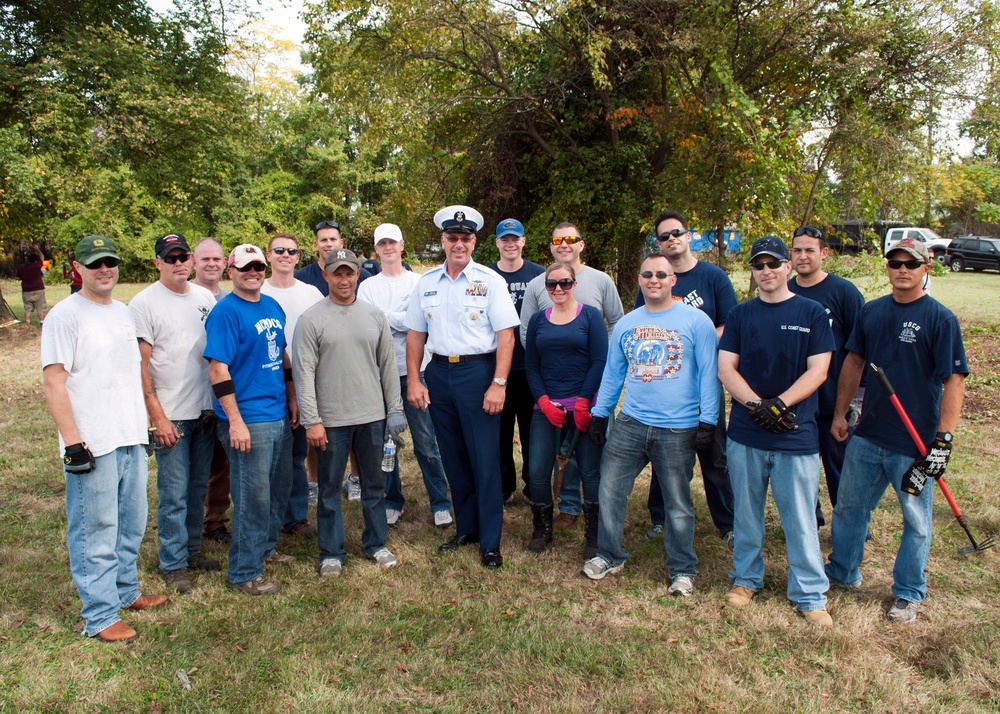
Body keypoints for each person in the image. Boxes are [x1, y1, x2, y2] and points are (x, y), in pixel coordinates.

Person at [825, 238, 968, 624]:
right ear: (887, 267)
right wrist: (841, 415)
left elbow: (954, 380)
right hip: (869, 435)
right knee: (850, 509)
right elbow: (853, 363)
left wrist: (943, 440)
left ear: (926, 268)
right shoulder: (871, 312)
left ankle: (907, 593)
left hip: (914, 443)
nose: (902, 269)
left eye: (911, 263)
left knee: (916, 522)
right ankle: (842, 571)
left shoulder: (940, 319)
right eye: (895, 262)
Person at [41, 235, 166, 642]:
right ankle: (98, 615)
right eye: (95, 264)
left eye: (110, 262)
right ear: (78, 269)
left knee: (131, 524)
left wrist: (145, 422)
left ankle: (126, 592)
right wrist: (73, 442)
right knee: (95, 529)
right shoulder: (64, 316)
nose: (104, 269)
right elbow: (54, 382)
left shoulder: (124, 313)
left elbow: (131, 374)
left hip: (129, 434)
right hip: (92, 442)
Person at [581, 254, 718, 597]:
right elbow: (613, 373)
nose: (653, 279)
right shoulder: (628, 323)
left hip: (678, 428)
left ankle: (682, 568)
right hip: (631, 423)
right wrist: (601, 413)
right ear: (639, 280)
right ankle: (609, 554)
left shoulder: (696, 321)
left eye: (661, 274)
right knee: (610, 490)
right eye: (647, 274)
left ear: (674, 280)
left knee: (677, 502)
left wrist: (709, 422)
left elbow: (709, 375)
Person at [717, 235, 835, 626]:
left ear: (788, 266)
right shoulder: (741, 315)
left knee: (799, 515)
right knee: (747, 512)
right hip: (747, 433)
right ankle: (746, 578)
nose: (766, 271)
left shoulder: (812, 312)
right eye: (758, 265)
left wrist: (781, 404)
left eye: (773, 264)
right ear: (752, 271)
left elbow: (819, 370)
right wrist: (755, 405)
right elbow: (726, 368)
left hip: (796, 434)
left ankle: (809, 594)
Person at [404, 205, 520, 569]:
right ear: (442, 241)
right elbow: (414, 335)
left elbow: (506, 337)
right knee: (453, 457)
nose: (459, 244)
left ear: (474, 241)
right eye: (452, 238)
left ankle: (490, 541)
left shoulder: (489, 280)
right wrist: (413, 379)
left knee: (484, 460)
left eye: (465, 238)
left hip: (478, 375)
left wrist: (499, 384)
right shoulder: (425, 283)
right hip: (438, 374)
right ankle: (467, 528)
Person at [294, 248, 406, 574]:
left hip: (372, 416)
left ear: (358, 275)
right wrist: (312, 421)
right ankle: (331, 551)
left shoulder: (373, 316)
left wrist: (394, 410)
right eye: (337, 273)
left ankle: (376, 543)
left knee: (374, 485)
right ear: (326, 275)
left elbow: (387, 365)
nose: (344, 280)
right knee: (329, 490)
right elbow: (304, 373)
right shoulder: (311, 319)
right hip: (331, 421)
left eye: (349, 273)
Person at [636, 211, 737, 546]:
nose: (671, 239)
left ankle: (727, 522)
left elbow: (730, 326)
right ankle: (660, 517)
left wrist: (690, 342)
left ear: (689, 235)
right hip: (663, 384)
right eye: (664, 236)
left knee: (714, 455)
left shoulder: (713, 277)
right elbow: (642, 325)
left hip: (704, 381)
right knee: (662, 450)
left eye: (676, 232)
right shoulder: (654, 277)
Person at [204, 244, 299, 596]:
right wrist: (235, 421)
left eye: (258, 266)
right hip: (249, 419)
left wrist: (291, 397)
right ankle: (244, 571)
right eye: (245, 268)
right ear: (231, 272)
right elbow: (217, 367)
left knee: (278, 490)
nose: (253, 272)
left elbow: (282, 355)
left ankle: (265, 548)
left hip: (277, 412)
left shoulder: (272, 305)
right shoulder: (225, 312)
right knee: (252, 498)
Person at [129, 233, 220, 594]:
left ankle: (192, 551)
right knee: (174, 492)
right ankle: (172, 562)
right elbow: (141, 364)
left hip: (204, 409)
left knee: (198, 486)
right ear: (157, 263)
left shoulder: (204, 297)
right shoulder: (144, 303)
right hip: (172, 414)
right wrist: (157, 415)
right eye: (171, 257)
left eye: (183, 256)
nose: (179, 262)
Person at [520, 222, 624, 526]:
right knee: (556, 453)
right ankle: (568, 505)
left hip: (592, 386)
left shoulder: (601, 280)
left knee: (594, 456)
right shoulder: (537, 285)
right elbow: (528, 330)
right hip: (551, 387)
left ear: (581, 244)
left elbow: (615, 321)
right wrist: (547, 355)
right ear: (550, 246)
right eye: (557, 240)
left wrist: (606, 358)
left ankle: (604, 513)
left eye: (570, 239)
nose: (564, 244)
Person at [357, 223, 454, 527]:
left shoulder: (420, 281)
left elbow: (423, 321)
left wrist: (388, 316)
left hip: (418, 371)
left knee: (426, 442)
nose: (387, 248)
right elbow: (371, 324)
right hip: (379, 375)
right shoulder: (367, 286)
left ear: (402, 246)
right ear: (376, 249)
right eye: (381, 243)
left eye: (392, 242)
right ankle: (392, 499)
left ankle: (440, 501)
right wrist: (403, 317)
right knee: (387, 443)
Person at [524, 263, 607, 554]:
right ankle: (542, 528)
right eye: (551, 284)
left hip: (585, 408)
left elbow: (599, 361)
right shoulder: (537, 320)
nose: (558, 289)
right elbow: (531, 366)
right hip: (547, 407)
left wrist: (584, 401)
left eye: (565, 282)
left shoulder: (590, 316)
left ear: (574, 284)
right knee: (536, 469)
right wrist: (544, 401)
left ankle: (594, 535)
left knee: (589, 471)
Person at [787, 225, 865, 525]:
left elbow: (861, 351)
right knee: (799, 468)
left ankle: (851, 525)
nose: (803, 256)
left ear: (824, 253)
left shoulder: (844, 293)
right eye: (797, 250)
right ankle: (810, 518)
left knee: (840, 469)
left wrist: (854, 402)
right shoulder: (785, 290)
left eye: (809, 250)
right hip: (797, 403)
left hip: (835, 402)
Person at [261, 233, 324, 539]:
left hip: (303, 382)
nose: (285, 255)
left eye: (291, 251)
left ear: (299, 257)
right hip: (264, 385)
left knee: (297, 454)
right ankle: (267, 518)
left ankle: (296, 516)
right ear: (268, 255)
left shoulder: (310, 292)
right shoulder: (256, 289)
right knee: (270, 458)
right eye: (279, 250)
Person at [487, 218, 545, 502]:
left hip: (530, 367)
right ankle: (503, 487)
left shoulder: (540, 275)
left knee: (533, 432)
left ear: (523, 241)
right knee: (499, 432)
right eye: (504, 239)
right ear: (497, 242)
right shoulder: (486, 276)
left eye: (515, 238)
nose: (510, 244)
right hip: (496, 367)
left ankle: (534, 486)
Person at [192, 237, 234, 544]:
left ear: (226, 264)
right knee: (192, 469)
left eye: (217, 259)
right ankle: (190, 523)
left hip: (223, 395)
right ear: (194, 262)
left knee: (222, 465)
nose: (211, 264)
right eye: (205, 259)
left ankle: (215, 520)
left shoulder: (231, 300)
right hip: (189, 395)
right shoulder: (185, 295)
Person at [295, 220, 372, 295]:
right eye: (324, 240)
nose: (329, 244)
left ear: (341, 243)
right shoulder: (301, 277)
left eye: (333, 239)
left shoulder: (363, 277)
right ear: (316, 245)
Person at [16, 243, 47, 325]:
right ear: (36, 261)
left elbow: (17, 277)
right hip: (38, 289)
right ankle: (42, 322)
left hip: (26, 290)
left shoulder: (21, 267)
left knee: (27, 308)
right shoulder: (36, 266)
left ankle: (27, 323)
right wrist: (37, 249)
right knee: (40, 307)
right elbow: (42, 257)